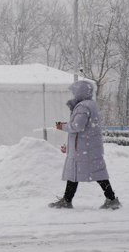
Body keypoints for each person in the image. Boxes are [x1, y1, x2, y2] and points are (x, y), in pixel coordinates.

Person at [50, 78, 121, 209]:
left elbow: (77, 126)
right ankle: (110, 199)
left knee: (77, 172)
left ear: (80, 92)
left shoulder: (83, 106)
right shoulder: (90, 104)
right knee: (93, 173)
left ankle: (68, 200)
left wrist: (63, 126)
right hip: (89, 146)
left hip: (83, 147)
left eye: (75, 92)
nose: (74, 95)